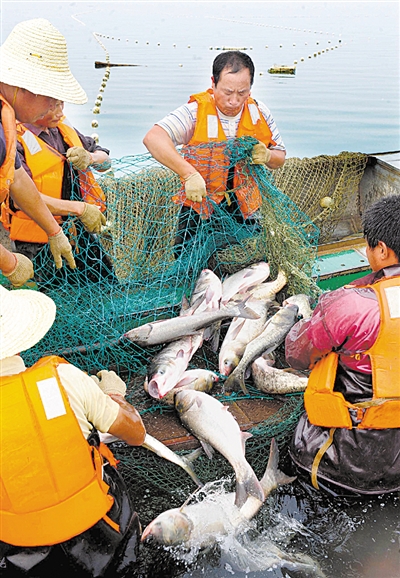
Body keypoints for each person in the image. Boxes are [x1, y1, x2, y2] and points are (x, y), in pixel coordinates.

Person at [0, 284, 146, 576]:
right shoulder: (64, 379)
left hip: (15, 554)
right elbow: (136, 433)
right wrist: (114, 395)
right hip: (99, 538)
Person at [285, 194, 400, 497]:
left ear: (383, 251)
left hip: (343, 465)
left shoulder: (352, 305)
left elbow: (297, 354)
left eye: (370, 245)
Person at [143, 50, 286, 255]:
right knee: (190, 264)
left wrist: (268, 156)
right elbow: (153, 138)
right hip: (200, 206)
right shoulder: (194, 112)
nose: (234, 101)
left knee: (251, 260)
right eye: (227, 92)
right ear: (213, 82)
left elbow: (279, 157)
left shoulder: (259, 111)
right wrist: (188, 173)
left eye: (242, 92)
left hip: (245, 208)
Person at [0, 18, 105, 287]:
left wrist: (54, 230)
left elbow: (17, 178)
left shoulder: (6, 121)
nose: (54, 108)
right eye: (51, 97)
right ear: (25, 87)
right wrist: (9, 263)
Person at [3, 101, 115, 284]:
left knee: (106, 287)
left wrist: (91, 158)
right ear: (33, 102)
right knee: (50, 299)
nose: (60, 112)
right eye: (52, 106)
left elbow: (106, 162)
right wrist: (81, 209)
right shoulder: (14, 140)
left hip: (77, 233)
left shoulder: (62, 127)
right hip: (37, 242)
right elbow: (21, 198)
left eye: (61, 104)